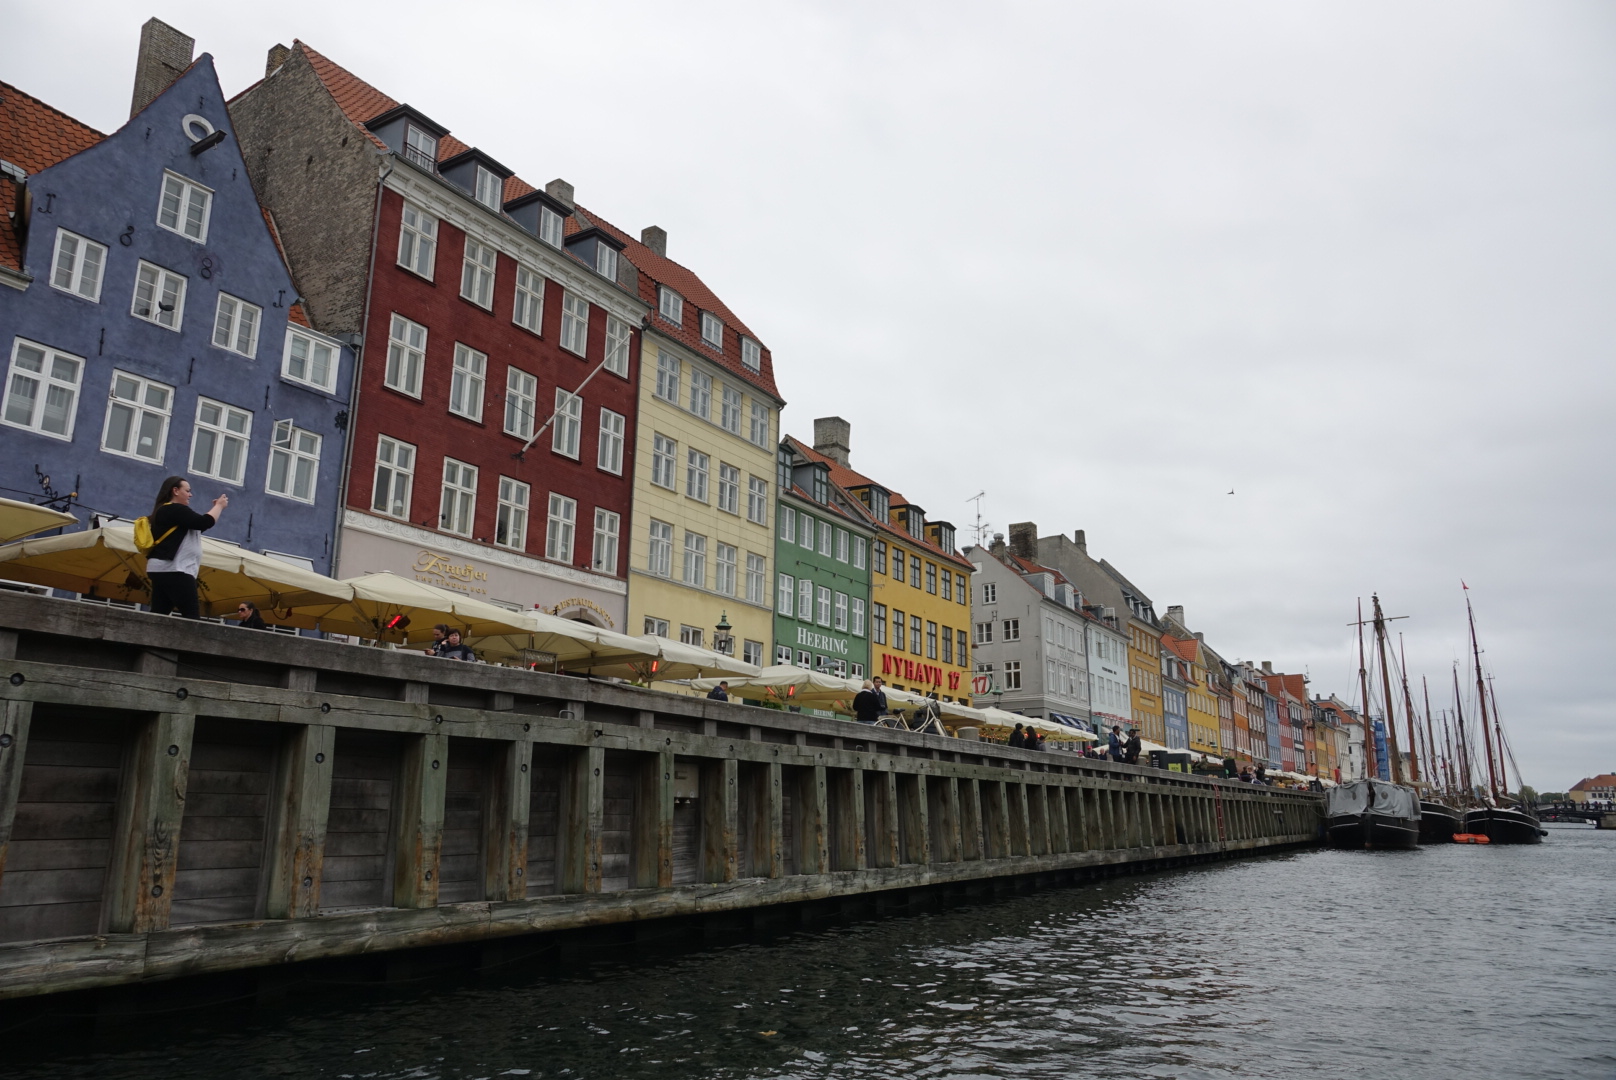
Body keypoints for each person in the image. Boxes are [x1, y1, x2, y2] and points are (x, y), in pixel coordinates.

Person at [144, 476, 227, 619]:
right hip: (175, 569)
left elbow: (197, 526)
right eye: (187, 491)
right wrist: (219, 506)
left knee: (158, 615)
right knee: (191, 617)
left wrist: (214, 509)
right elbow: (203, 522)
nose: (190, 494)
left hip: (162, 568)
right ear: (175, 491)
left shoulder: (165, 511)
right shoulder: (174, 509)